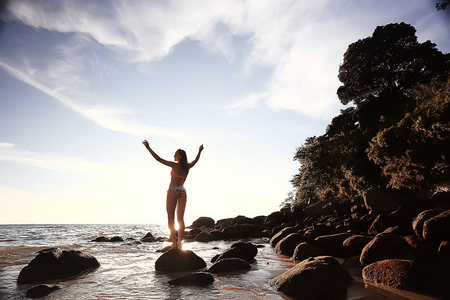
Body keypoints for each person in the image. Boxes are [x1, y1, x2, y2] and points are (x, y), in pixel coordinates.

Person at [142, 140, 204, 249]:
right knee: (181, 219)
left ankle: (174, 244)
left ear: (180, 156)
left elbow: (158, 159)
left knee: (170, 218)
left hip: (173, 190)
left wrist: (148, 148)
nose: (174, 155)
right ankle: (180, 243)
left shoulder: (174, 165)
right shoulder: (188, 166)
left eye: (175, 154)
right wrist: (200, 151)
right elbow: (196, 160)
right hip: (183, 191)